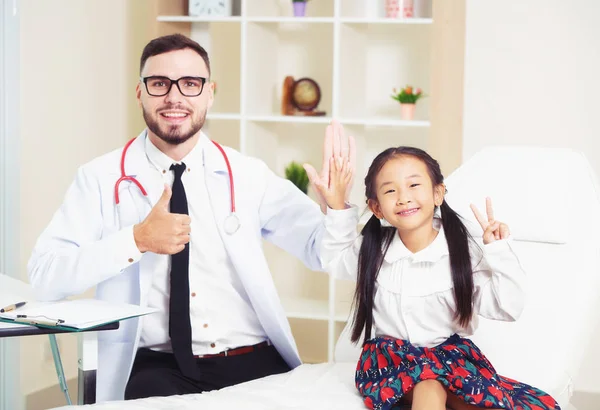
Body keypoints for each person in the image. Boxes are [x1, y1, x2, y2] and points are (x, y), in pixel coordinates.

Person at [27, 33, 355, 402]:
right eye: (158, 83)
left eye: (190, 84)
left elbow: (327, 254)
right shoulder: (100, 178)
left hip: (252, 358)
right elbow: (44, 276)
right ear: (140, 93)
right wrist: (135, 241)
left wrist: (337, 209)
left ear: (210, 93)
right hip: (158, 366)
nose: (174, 96)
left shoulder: (246, 173)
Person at [315, 147, 560, 410]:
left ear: (437, 193)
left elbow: (508, 307)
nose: (403, 198)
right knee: (428, 386)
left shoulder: (460, 254)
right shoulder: (372, 250)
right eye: (390, 191)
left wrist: (498, 250)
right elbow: (334, 260)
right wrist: (337, 207)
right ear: (376, 208)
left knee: (482, 402)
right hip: (391, 361)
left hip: (449, 359)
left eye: (414, 185)